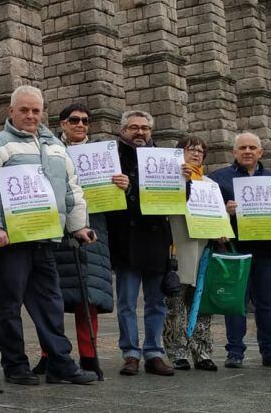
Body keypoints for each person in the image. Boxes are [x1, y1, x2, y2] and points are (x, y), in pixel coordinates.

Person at [0, 86, 99, 386]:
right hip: (11, 242)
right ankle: (15, 365)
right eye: (24, 110)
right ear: (11, 111)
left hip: (46, 239)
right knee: (10, 305)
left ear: (42, 112)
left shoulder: (57, 148)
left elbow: (72, 190)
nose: (31, 115)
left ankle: (59, 363)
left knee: (51, 304)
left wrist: (78, 226)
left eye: (36, 110)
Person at [33, 103, 126, 376]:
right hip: (54, 228)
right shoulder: (45, 149)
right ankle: (49, 354)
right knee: (51, 298)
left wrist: (122, 184)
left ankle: (88, 357)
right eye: (74, 120)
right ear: (62, 123)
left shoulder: (104, 154)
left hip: (92, 228)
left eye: (86, 120)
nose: (81, 125)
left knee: (89, 298)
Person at [207, 132, 271, 369]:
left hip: (267, 251)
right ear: (234, 152)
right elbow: (208, 213)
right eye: (242, 147)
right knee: (235, 303)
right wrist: (225, 211)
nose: (247, 151)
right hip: (235, 252)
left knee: (267, 304)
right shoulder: (217, 178)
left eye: (252, 148)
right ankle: (235, 352)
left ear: (260, 152)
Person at [106, 111, 175, 376]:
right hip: (127, 238)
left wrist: (184, 180)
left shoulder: (166, 157)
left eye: (145, 128)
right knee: (126, 301)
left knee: (157, 302)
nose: (140, 132)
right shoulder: (112, 156)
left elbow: (182, 198)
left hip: (157, 238)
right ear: (122, 130)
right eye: (134, 127)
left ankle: (154, 352)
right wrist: (123, 186)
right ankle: (131, 353)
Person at [162, 136, 218, 372]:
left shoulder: (210, 184)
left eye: (200, 150)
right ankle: (177, 351)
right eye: (190, 149)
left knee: (201, 303)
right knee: (175, 303)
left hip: (203, 246)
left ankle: (202, 351)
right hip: (178, 246)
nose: (196, 154)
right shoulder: (170, 180)